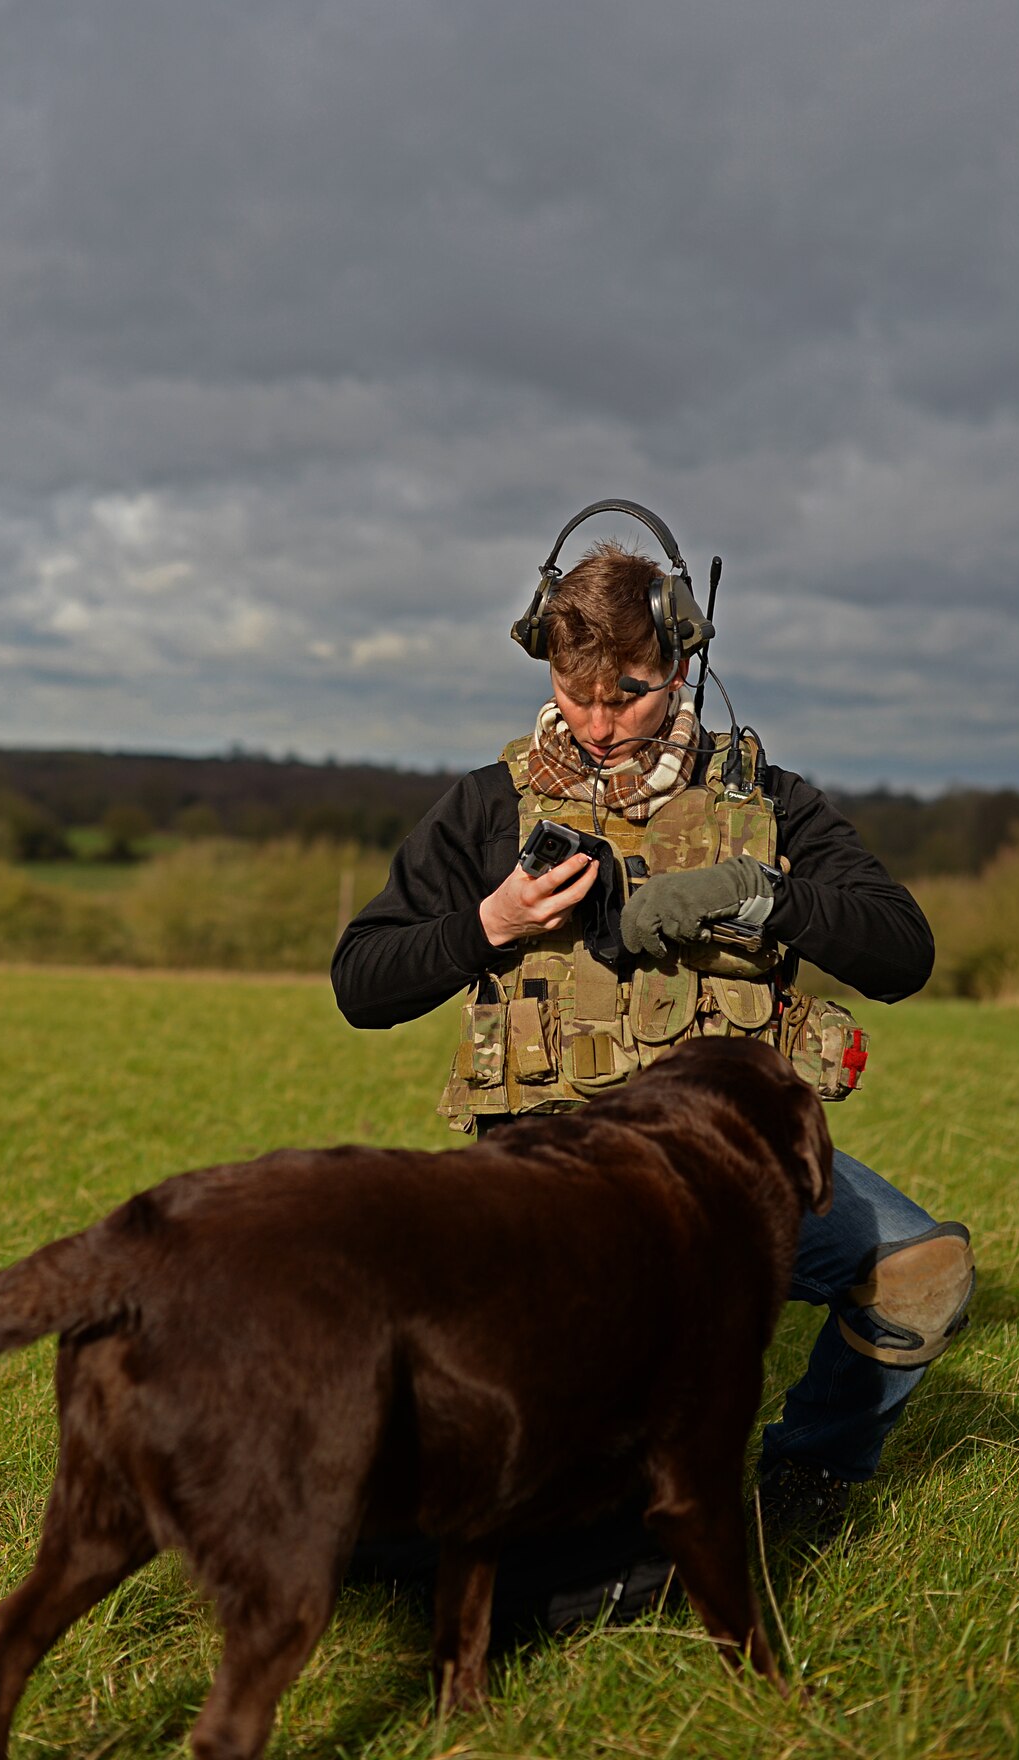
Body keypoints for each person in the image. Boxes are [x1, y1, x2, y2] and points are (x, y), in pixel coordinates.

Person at [332, 517, 973, 1634]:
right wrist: (485, 921)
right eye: (573, 694)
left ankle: (795, 1493)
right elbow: (360, 979)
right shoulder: (487, 806)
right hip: (547, 1174)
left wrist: (761, 890)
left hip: (729, 1165)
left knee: (919, 1270)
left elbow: (902, 951)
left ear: (678, 661)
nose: (597, 723)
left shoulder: (764, 796)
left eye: (623, 693)